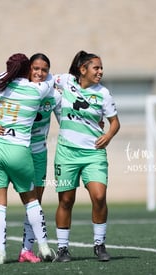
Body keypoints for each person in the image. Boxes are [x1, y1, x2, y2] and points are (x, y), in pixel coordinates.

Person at [0, 53, 55, 264]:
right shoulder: (39, 90)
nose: (39, 73)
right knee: (31, 200)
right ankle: (44, 247)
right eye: (34, 68)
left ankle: (9, 252)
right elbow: (53, 81)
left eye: (43, 69)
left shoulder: (2, 84)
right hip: (20, 151)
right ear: (28, 69)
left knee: (1, 202)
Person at [53, 51, 120, 262]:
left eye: (101, 68)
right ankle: (62, 249)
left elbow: (115, 123)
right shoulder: (65, 80)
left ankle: (99, 245)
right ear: (83, 70)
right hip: (66, 153)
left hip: (94, 153)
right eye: (96, 68)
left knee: (99, 196)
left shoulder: (104, 94)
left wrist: (108, 135)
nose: (100, 72)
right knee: (66, 200)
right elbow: (42, 79)